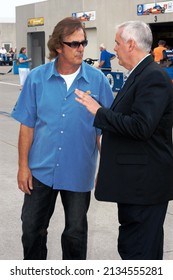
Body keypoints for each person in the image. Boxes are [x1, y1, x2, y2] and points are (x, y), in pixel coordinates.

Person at [11, 17, 114, 260]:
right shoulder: (37, 78)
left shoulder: (97, 80)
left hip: (79, 171)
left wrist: (107, 168)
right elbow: (27, 126)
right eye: (74, 44)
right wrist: (23, 167)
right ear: (58, 46)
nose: (81, 48)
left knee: (75, 233)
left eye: (83, 43)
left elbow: (105, 129)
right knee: (32, 229)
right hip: (40, 170)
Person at [75, 20, 173, 260]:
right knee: (132, 246)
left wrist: (99, 111)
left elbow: (141, 127)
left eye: (118, 44)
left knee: (140, 252)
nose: (114, 49)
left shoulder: (152, 77)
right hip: (135, 185)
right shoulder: (140, 74)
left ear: (131, 44)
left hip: (144, 187)